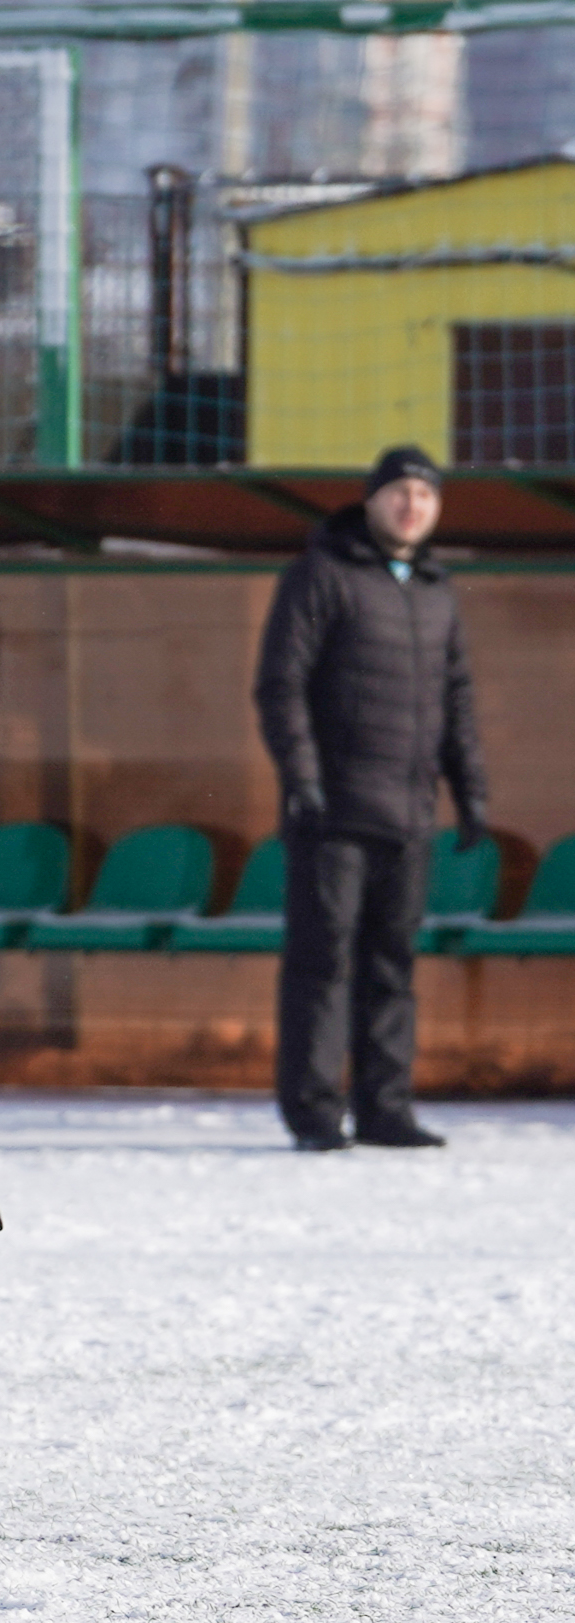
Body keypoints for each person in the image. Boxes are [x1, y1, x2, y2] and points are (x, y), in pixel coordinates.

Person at [256, 445, 487, 1153]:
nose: (412, 505)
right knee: (323, 965)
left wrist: (470, 793)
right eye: (399, 493)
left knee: (393, 965)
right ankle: (316, 1112)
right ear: (372, 500)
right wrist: (303, 780)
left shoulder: (435, 589)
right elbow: (281, 684)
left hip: (409, 815)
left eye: (426, 495)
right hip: (333, 815)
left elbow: (457, 698)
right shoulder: (320, 575)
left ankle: (386, 1107)